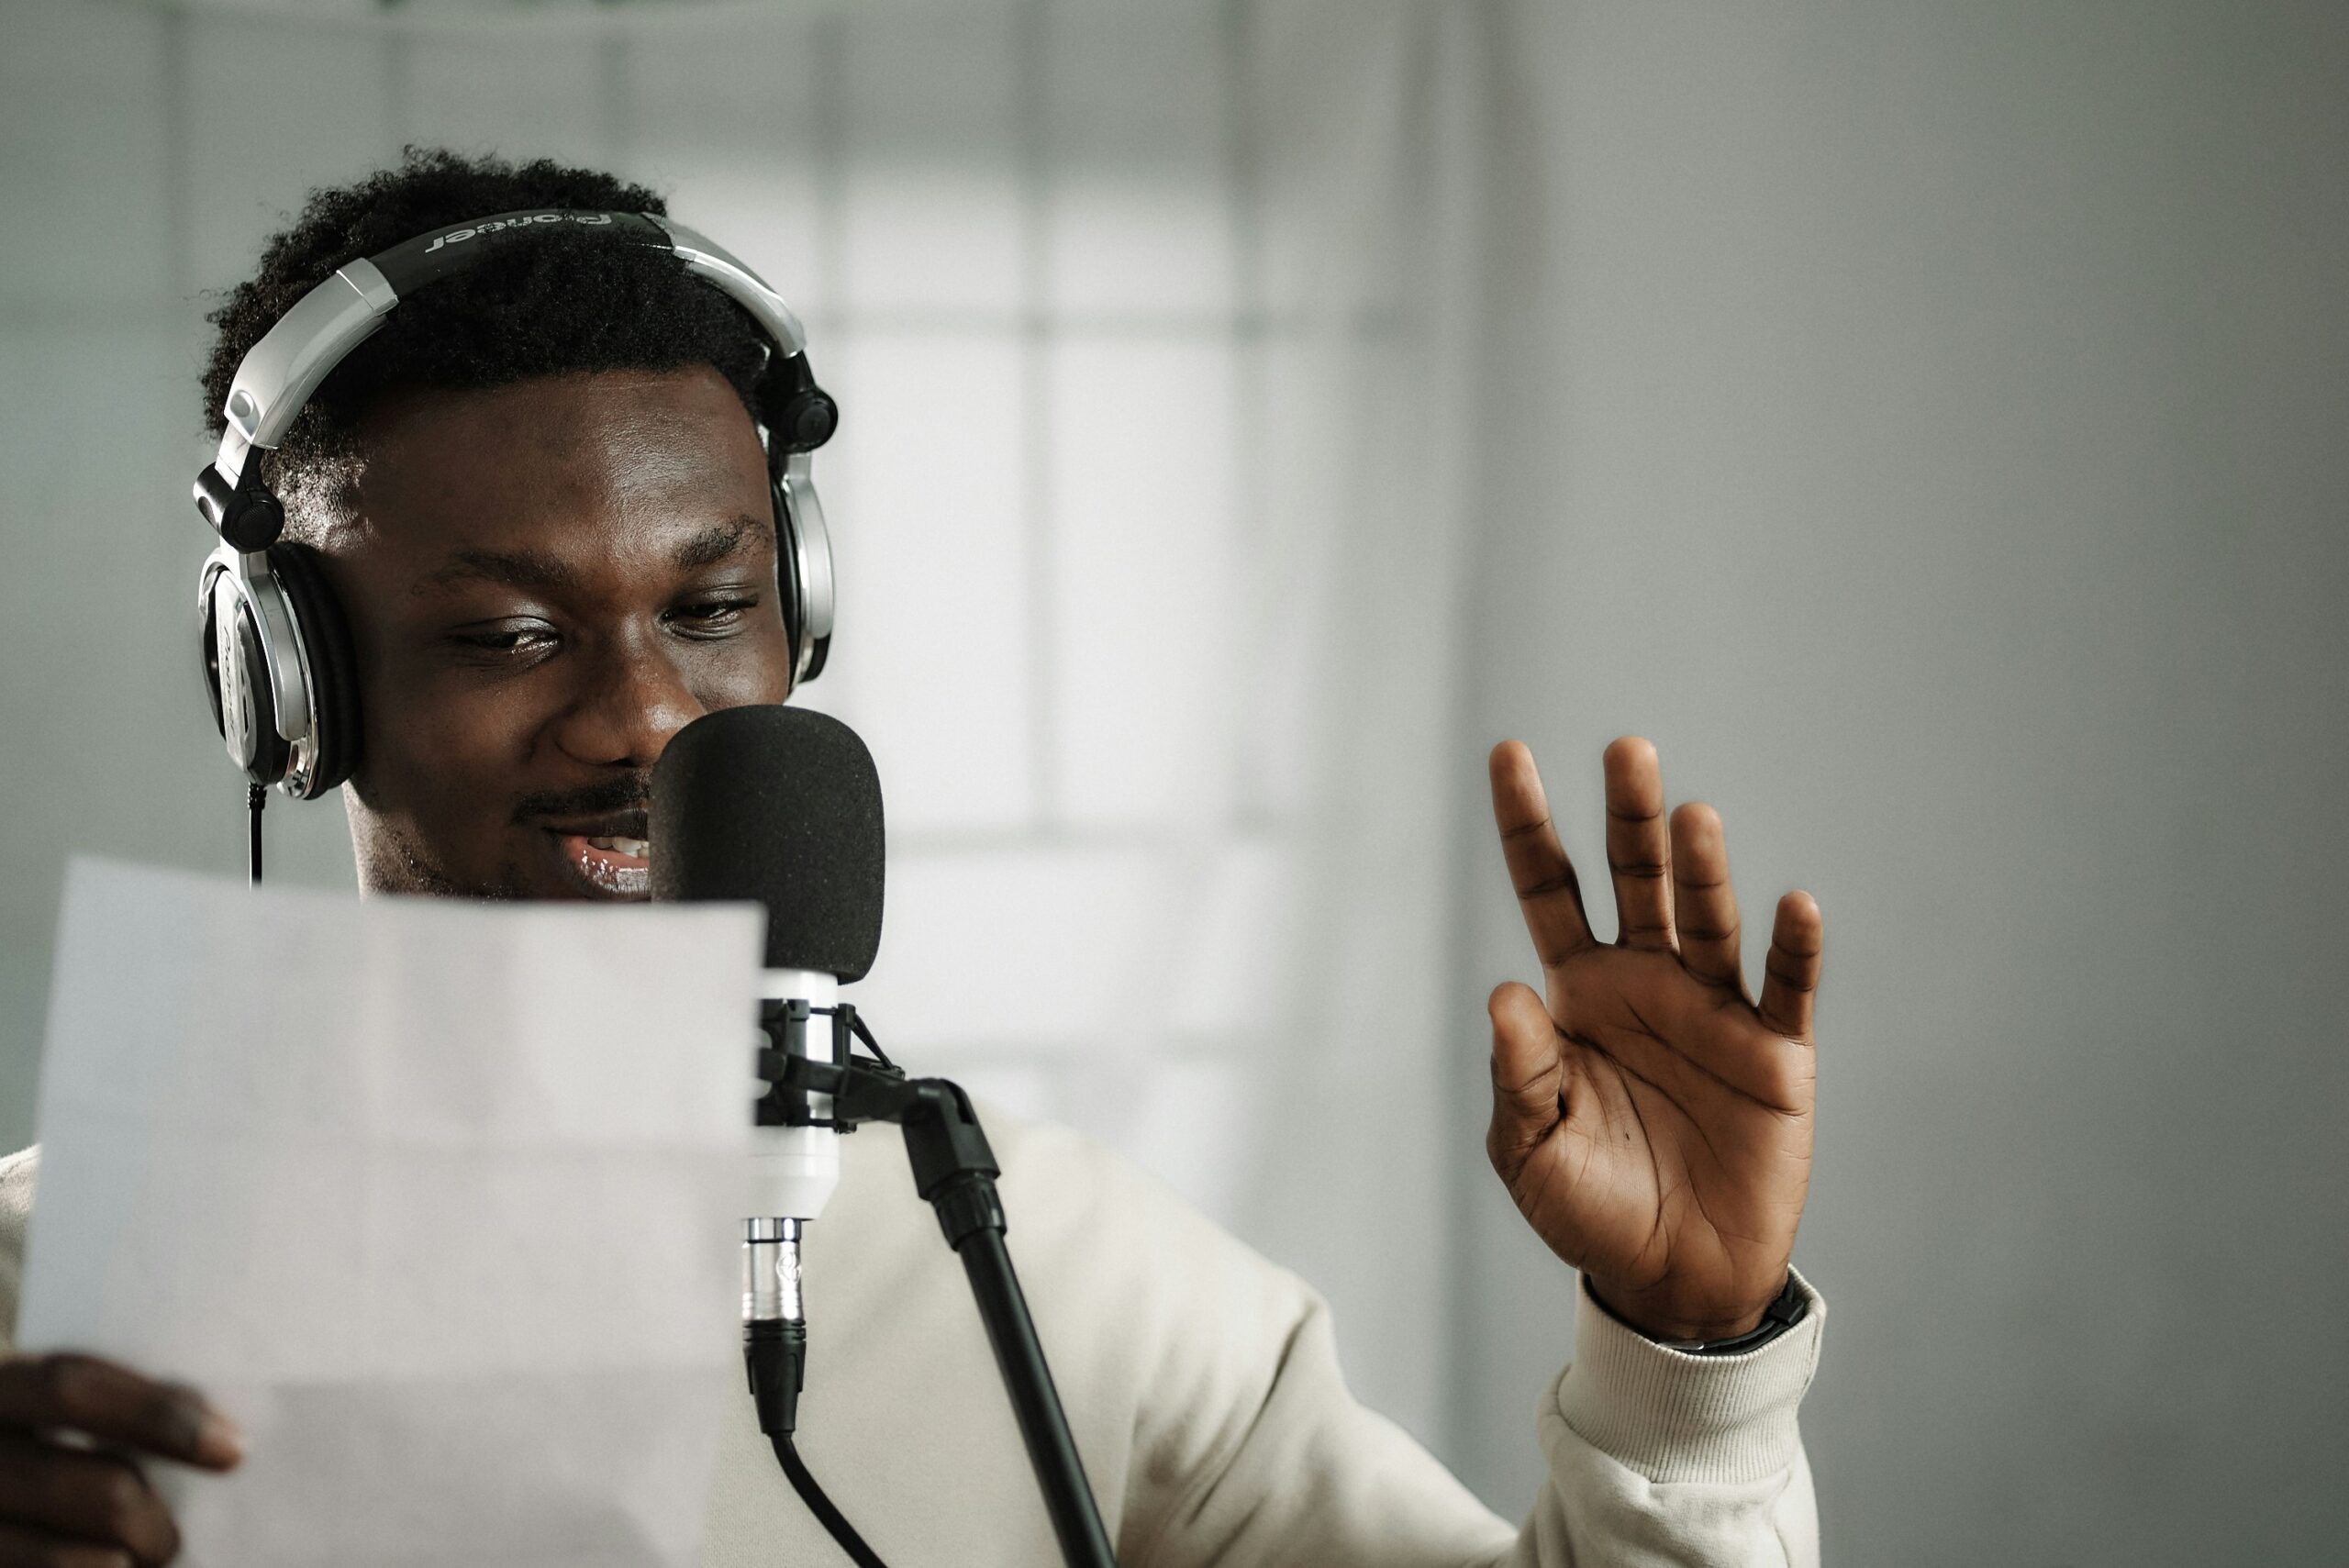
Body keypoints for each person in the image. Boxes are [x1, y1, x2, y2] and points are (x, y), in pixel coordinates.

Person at [0, 150, 1827, 1567]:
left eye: (709, 606)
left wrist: (1685, 1358)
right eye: (507, 635)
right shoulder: (36, 1301)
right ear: (291, 686)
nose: (644, 719)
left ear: (798, 615)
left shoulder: (1052, 1271)